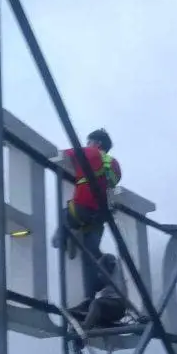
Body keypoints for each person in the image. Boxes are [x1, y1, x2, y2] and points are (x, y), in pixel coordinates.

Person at [52, 128, 122, 301]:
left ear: (97, 143)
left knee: (62, 224)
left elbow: (60, 154)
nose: (87, 144)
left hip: (82, 207)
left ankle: (64, 241)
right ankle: (103, 271)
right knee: (90, 255)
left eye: (89, 141)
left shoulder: (89, 152)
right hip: (101, 214)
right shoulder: (114, 165)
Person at [67, 253, 128, 354]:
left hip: (117, 305)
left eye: (101, 271)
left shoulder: (112, 265)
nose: (100, 275)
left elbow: (105, 275)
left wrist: (99, 274)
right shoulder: (105, 283)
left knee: (96, 304)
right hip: (106, 307)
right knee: (72, 319)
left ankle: (85, 326)